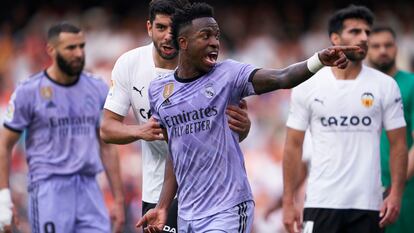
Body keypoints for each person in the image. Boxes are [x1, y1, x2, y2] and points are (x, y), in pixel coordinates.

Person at [135, 2, 358, 232]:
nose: (214, 42)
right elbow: (176, 151)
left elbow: (283, 77)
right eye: (206, 36)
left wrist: (319, 60)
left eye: (217, 36)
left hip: (228, 208)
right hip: (187, 212)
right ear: (183, 43)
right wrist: (162, 206)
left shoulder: (228, 74)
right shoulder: (159, 91)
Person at [100, 0, 251, 232]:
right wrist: (141, 131)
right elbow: (107, 129)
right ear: (149, 28)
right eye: (161, 28)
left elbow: (224, 135)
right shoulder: (130, 64)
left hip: (207, 191)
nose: (167, 36)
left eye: (173, 28)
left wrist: (244, 128)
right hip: (157, 188)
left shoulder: (208, 68)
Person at [283, 5, 408, 233]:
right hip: (321, 202)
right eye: (355, 31)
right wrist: (288, 201)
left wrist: (396, 194)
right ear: (335, 37)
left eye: (367, 32)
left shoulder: (385, 85)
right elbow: (293, 145)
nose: (363, 38)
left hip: (368, 204)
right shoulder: (308, 85)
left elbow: (399, 143)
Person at [0, 22, 125, 233]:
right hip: (49, 189)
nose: (78, 53)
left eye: (82, 46)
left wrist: (119, 200)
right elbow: (4, 145)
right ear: (51, 50)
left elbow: (107, 145)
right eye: (70, 48)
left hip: (89, 188)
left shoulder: (96, 87)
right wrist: (4, 198)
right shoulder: (28, 91)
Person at [367, 25, 414, 233]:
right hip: (364, 188)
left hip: (404, 189)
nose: (382, 50)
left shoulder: (411, 85)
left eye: (388, 45)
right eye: (375, 46)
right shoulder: (359, 87)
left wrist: (394, 188)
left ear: (397, 48)